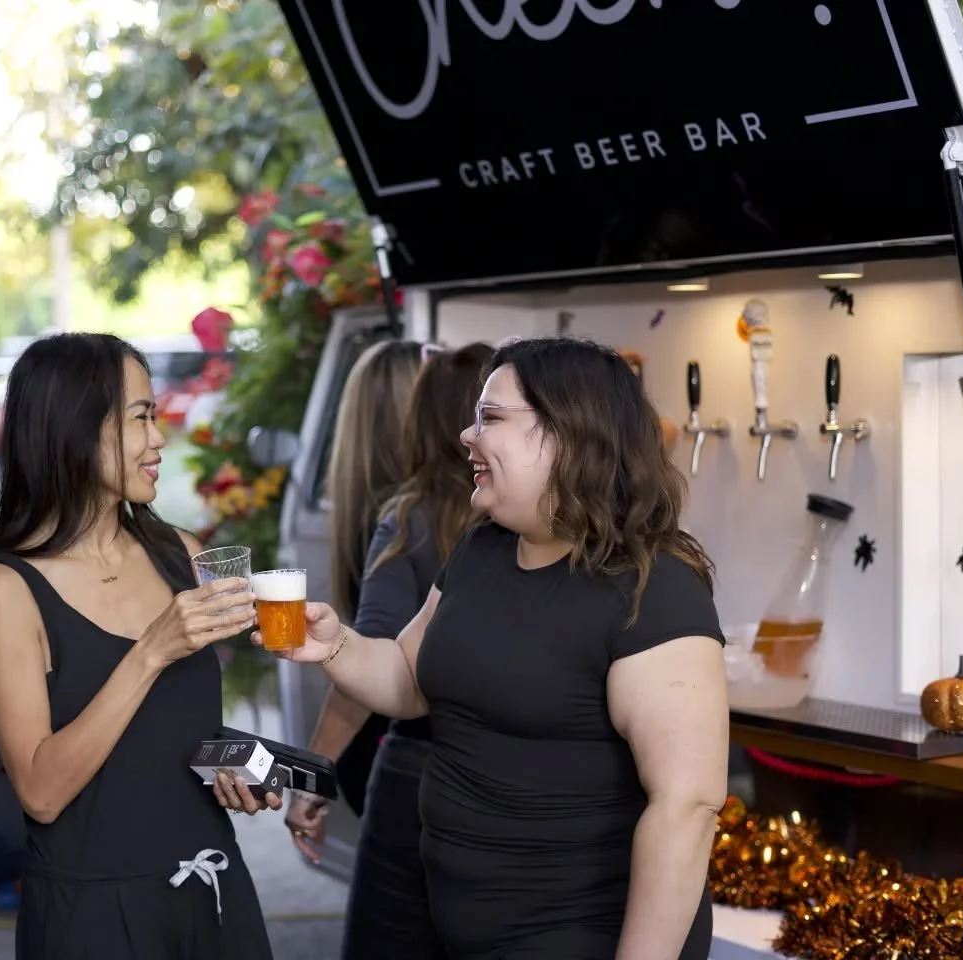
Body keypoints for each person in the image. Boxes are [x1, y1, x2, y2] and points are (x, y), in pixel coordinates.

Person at [268, 336, 728, 959]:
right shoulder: (483, 548)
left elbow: (687, 806)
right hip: (465, 929)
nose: (466, 435)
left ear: (569, 434)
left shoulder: (654, 586)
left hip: (579, 934)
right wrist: (335, 645)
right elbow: (406, 679)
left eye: (490, 418)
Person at [0, 332, 277, 960]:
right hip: (94, 912)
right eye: (142, 417)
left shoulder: (182, 554)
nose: (160, 438)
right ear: (75, 429)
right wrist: (151, 650)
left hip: (211, 887)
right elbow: (41, 794)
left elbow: (184, 730)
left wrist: (241, 767)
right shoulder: (6, 588)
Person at [287, 341, 493, 959]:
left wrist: (308, 777)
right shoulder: (529, 528)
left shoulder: (412, 520)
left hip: (421, 775)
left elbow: (374, 661)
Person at [316, 338, 425, 817]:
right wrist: (312, 771)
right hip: (397, 751)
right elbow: (372, 663)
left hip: (376, 750)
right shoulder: (409, 521)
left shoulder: (372, 513)